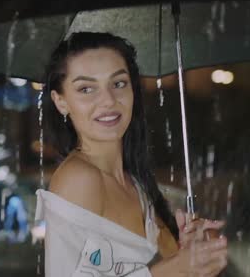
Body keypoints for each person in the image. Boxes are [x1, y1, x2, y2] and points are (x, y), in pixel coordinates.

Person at [35, 32, 228, 277]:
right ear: (61, 101)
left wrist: (190, 249)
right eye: (86, 89)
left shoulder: (135, 182)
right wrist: (171, 270)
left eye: (118, 84)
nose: (108, 100)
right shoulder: (80, 179)